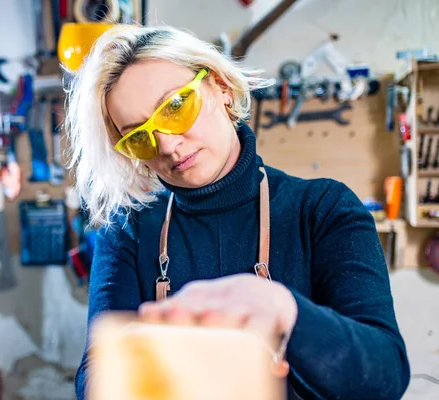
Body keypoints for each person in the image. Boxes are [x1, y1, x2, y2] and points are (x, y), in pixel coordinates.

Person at [64, 24, 410, 400]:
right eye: (139, 136)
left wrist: (285, 311)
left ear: (221, 87)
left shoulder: (323, 209)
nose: (167, 144)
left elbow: (385, 376)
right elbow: (95, 380)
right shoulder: (128, 230)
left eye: (176, 107)